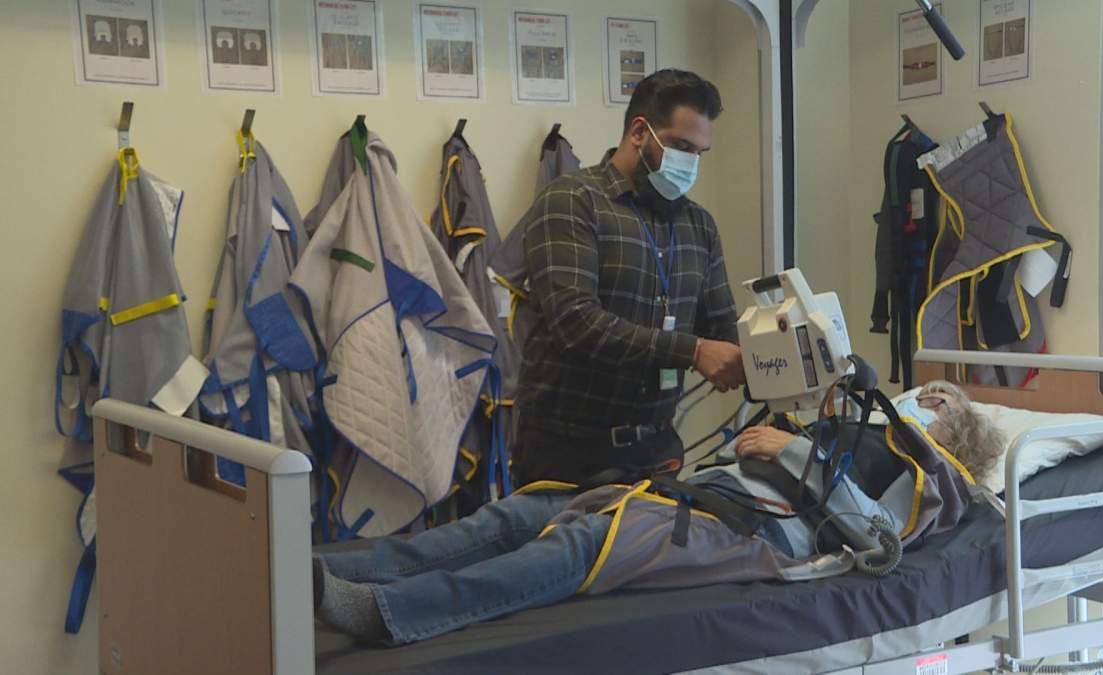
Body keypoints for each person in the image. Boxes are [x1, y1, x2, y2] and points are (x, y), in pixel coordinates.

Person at [313, 380, 1004, 646]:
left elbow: (874, 540)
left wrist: (796, 449)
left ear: (956, 432)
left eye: (940, 400)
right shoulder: (863, 427)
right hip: (699, 494)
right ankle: (342, 567)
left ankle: (391, 612)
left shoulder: (931, 484)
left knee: (575, 547)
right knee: (517, 516)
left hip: (745, 532)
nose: (923, 395)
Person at [512, 69, 745, 487]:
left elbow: (723, 327)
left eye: (699, 153)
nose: (690, 163)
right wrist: (693, 352)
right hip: (566, 454)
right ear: (640, 131)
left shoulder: (699, 225)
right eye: (681, 146)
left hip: (657, 450)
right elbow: (577, 323)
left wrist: (778, 358)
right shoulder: (572, 202)